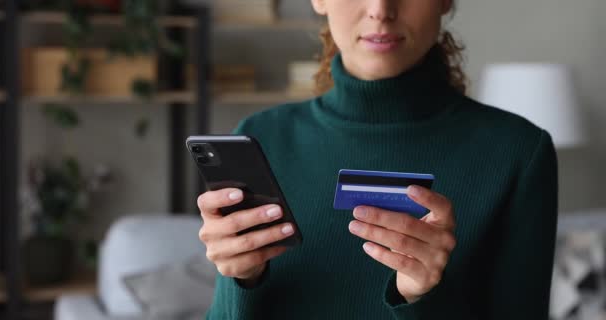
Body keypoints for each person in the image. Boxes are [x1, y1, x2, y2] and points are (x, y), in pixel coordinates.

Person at [197, 0, 558, 319]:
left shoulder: (519, 153)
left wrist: (423, 298)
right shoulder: (262, 137)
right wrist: (240, 278)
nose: (381, 10)